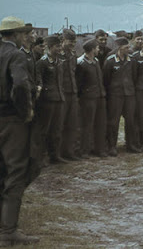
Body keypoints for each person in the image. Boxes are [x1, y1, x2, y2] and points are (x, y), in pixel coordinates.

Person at [0, 16, 39, 246]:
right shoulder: (15, 55)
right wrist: (26, 112)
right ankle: (7, 231)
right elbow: (21, 85)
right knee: (16, 172)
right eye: (23, 33)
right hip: (12, 121)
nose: (26, 37)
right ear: (14, 35)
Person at [103, 37, 139, 154]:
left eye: (128, 47)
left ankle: (131, 145)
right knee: (114, 121)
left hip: (129, 94)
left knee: (130, 120)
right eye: (126, 48)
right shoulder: (110, 61)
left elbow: (134, 76)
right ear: (119, 48)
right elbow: (106, 79)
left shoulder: (132, 60)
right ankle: (112, 146)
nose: (128, 49)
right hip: (115, 95)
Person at [34, 35, 66, 165]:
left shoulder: (59, 61)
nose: (59, 49)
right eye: (57, 46)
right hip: (47, 101)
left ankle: (55, 156)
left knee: (57, 129)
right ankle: (41, 158)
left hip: (58, 99)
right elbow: (39, 80)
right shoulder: (42, 62)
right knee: (44, 131)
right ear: (50, 47)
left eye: (60, 46)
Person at [76, 39, 108, 158]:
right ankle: (84, 150)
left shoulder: (96, 61)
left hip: (100, 97)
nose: (99, 50)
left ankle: (99, 149)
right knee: (87, 125)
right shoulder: (80, 63)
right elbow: (78, 84)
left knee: (101, 124)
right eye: (97, 48)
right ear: (92, 49)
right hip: (88, 99)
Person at [59, 29, 80, 161]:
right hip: (61, 94)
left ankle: (69, 151)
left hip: (72, 93)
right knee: (59, 125)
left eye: (74, 42)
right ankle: (57, 153)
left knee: (72, 124)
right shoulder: (58, 55)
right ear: (63, 41)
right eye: (70, 41)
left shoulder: (73, 55)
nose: (72, 44)